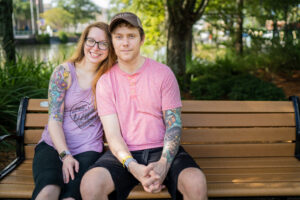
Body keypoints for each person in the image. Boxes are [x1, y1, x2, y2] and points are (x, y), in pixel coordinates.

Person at [80, 12, 207, 200]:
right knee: (91, 185)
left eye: (131, 36)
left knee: (196, 183)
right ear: (112, 41)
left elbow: (173, 126)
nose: (125, 43)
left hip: (162, 150)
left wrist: (164, 163)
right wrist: (133, 166)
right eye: (118, 37)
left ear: (142, 39)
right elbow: (113, 136)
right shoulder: (106, 81)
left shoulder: (163, 74)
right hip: (124, 154)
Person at [31, 22, 116, 200]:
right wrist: (65, 155)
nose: (95, 48)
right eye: (91, 41)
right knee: (48, 190)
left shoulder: (110, 77)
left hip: (88, 148)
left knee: (72, 196)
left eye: (103, 43)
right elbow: (54, 120)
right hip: (53, 146)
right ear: (83, 42)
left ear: (110, 48)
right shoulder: (64, 72)